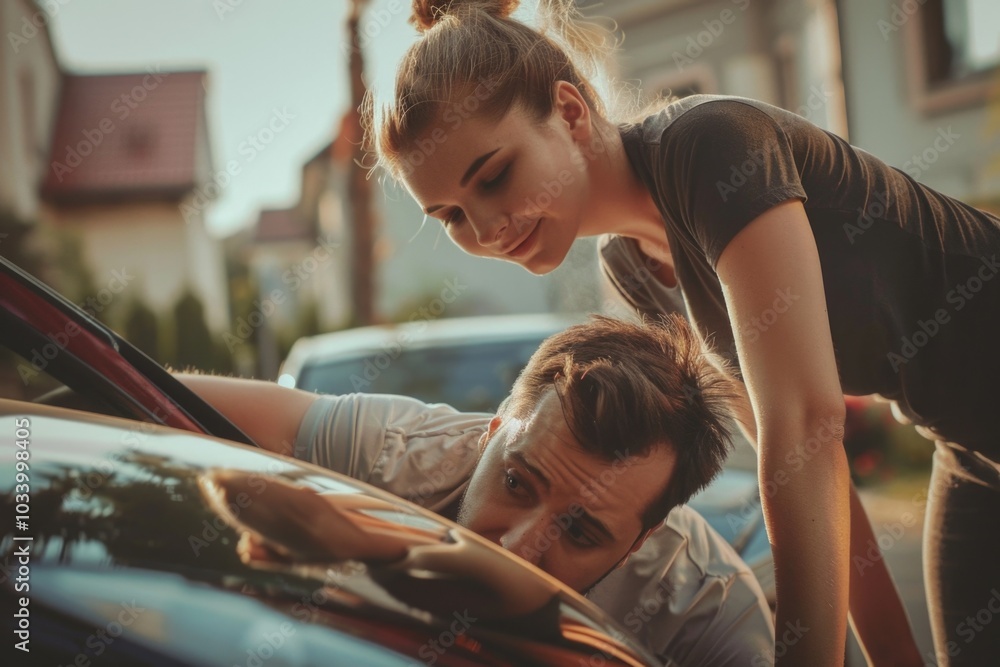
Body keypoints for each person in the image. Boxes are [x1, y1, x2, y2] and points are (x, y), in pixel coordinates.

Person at [368, 1, 1000, 664]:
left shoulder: (711, 146)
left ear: (571, 111)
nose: (487, 227)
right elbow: (796, 466)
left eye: (494, 176)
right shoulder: (634, 266)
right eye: (450, 216)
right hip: (972, 449)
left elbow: (806, 425)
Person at [180, 315, 776, 666]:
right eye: (517, 483)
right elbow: (153, 406)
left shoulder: (710, 616)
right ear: (490, 433)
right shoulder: (401, 452)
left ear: (646, 535)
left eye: (581, 531)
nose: (520, 546)